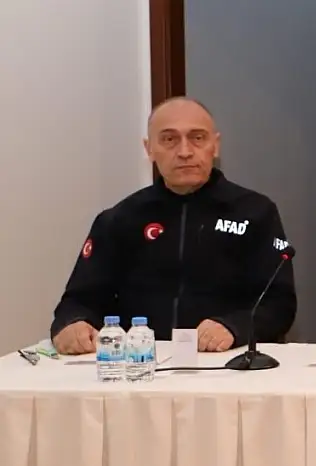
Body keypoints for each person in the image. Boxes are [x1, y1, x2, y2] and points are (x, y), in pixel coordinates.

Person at [50, 97, 297, 355]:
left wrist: (234, 327)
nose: (185, 151)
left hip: (230, 360)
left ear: (215, 146)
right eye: (169, 139)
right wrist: (73, 324)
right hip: (140, 363)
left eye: (197, 138)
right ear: (149, 149)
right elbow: (78, 301)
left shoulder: (255, 212)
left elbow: (280, 304)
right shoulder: (119, 219)